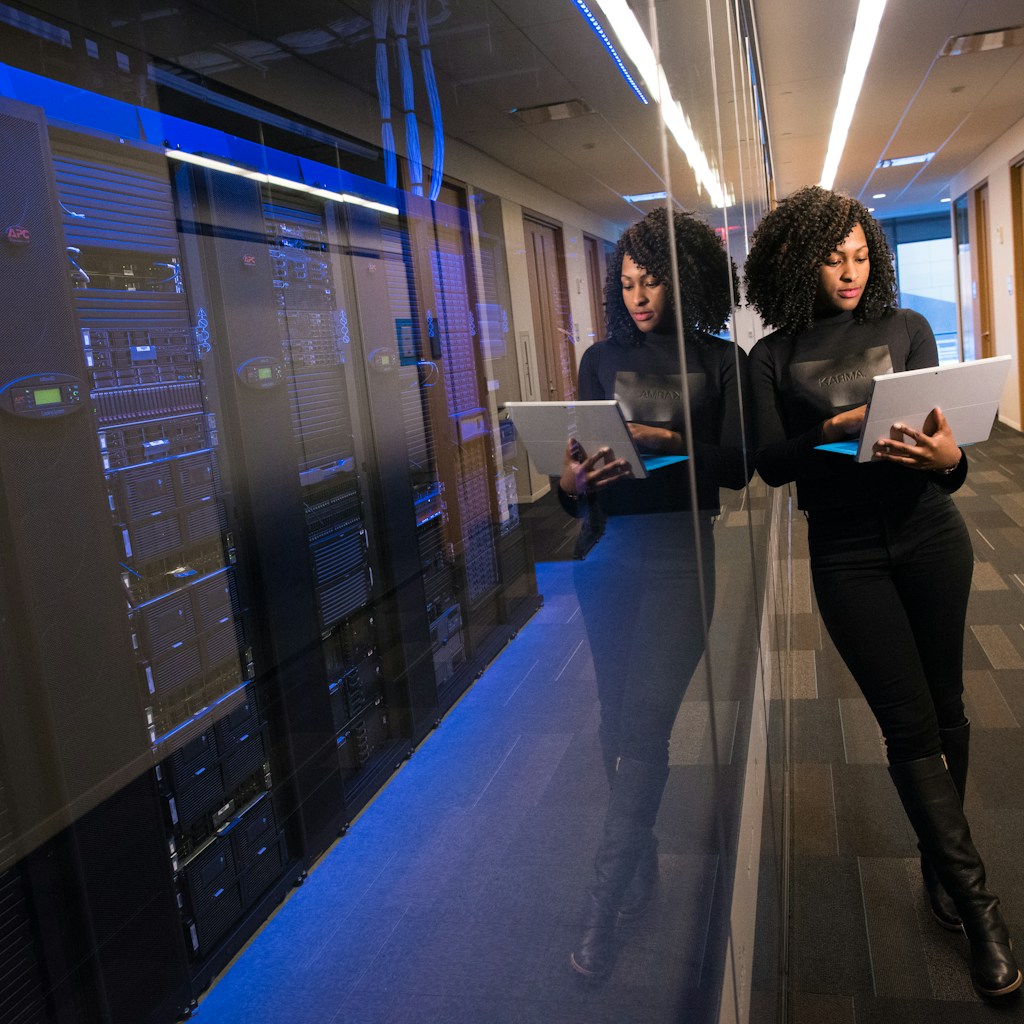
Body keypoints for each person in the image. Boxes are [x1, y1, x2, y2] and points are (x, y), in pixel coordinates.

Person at [744, 185, 1021, 998]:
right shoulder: (772, 356)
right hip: (846, 552)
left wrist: (952, 462)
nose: (851, 272)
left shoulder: (907, 329)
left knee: (949, 708)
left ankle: (942, 863)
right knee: (907, 728)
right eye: (834, 259)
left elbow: (949, 452)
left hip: (931, 533)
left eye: (862, 256)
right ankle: (981, 914)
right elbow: (768, 462)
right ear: (800, 262)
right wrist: (827, 432)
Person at [558, 207, 750, 979]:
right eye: (628, 283)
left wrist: (673, 443)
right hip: (609, 555)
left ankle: (602, 906)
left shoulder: (719, 359)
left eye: (653, 281)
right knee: (615, 726)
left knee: (643, 727)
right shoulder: (599, 359)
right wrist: (571, 483)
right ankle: (641, 865)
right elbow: (573, 485)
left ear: (684, 278)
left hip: (681, 561)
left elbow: (740, 467)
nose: (639, 296)